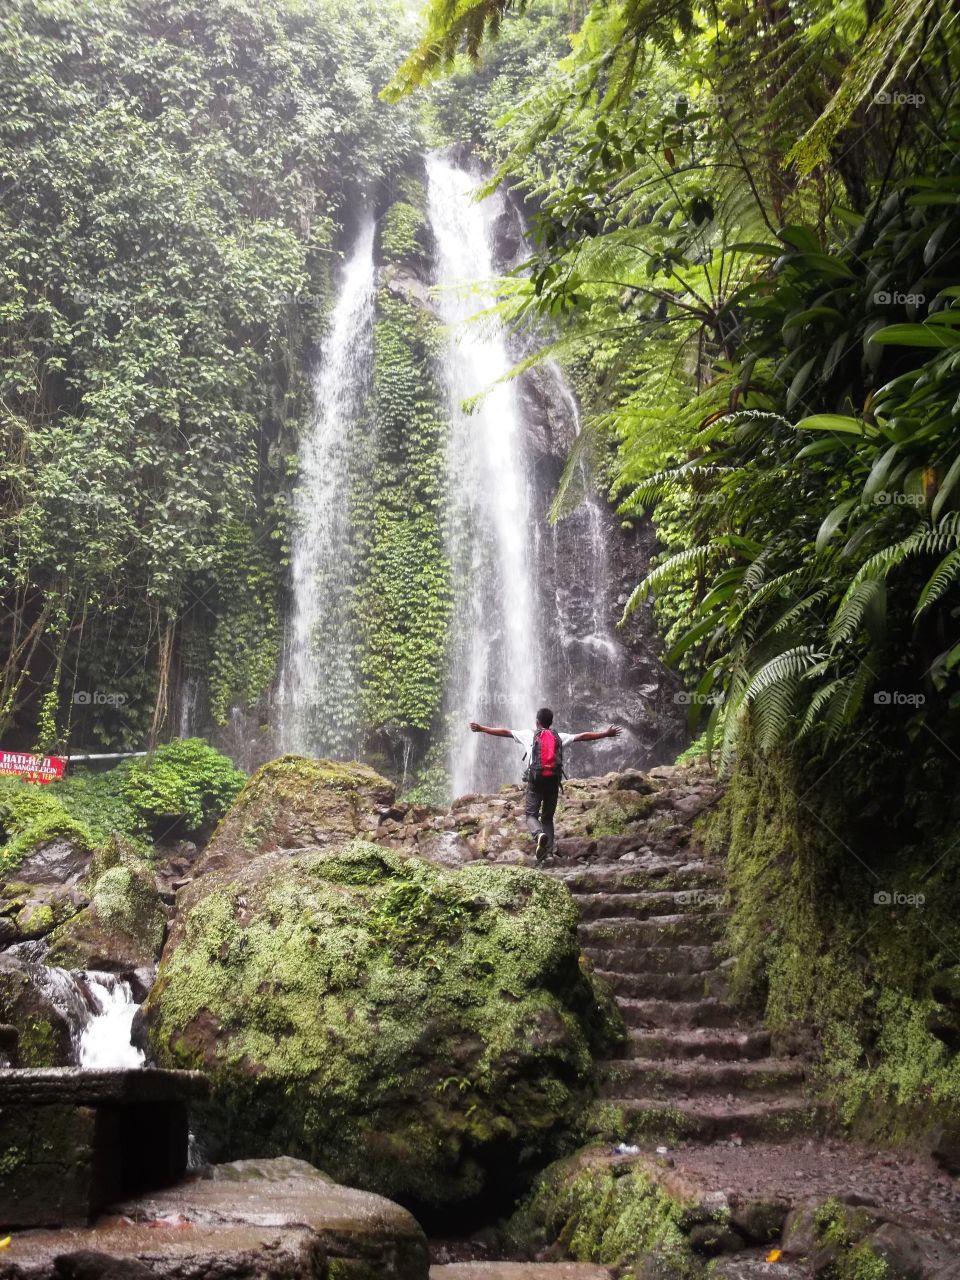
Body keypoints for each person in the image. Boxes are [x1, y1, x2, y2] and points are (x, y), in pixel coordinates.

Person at [469, 708, 621, 860]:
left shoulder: (529, 735)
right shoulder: (559, 737)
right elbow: (582, 736)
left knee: (530, 815)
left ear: (537, 722)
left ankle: (539, 834)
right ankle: (548, 852)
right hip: (553, 780)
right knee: (547, 818)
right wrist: (606, 733)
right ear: (551, 722)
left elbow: (505, 732)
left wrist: (482, 728)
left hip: (536, 780)